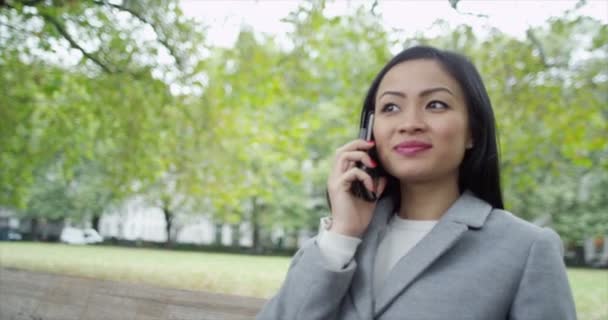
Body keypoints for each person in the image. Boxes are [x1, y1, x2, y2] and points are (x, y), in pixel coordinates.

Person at [256, 46, 576, 320]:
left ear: (473, 131)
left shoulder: (527, 249)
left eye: (436, 104)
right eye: (391, 107)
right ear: (370, 133)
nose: (409, 124)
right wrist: (342, 234)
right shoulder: (336, 244)